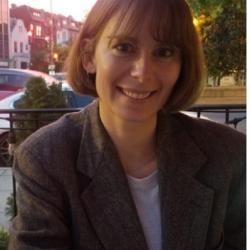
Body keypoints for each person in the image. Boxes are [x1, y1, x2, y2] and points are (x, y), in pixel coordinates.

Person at [9, 0, 245, 249]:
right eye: (124, 47)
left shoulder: (230, 154)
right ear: (89, 57)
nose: (143, 72)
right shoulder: (45, 159)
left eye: (164, 52)